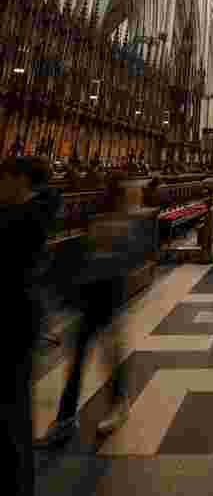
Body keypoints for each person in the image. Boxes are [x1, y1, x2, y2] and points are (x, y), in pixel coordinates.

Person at [37, 179, 141, 446]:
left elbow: (124, 260)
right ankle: (65, 420)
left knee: (107, 357)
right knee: (79, 362)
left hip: (107, 299)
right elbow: (89, 257)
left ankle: (116, 404)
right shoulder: (100, 220)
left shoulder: (123, 224)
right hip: (89, 299)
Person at [0, 157, 61, 496]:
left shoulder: (22, 219)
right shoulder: (30, 212)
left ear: (20, 180)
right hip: (20, 318)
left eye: (4, 178)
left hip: (14, 320)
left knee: (12, 410)